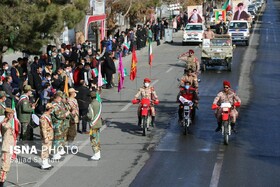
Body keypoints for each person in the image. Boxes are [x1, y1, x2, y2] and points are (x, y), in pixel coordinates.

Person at [51, 91, 70, 160]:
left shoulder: (58, 104)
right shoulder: (54, 105)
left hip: (60, 124)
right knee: (56, 139)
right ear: (57, 97)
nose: (61, 99)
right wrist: (66, 114)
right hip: (57, 124)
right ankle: (55, 154)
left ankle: (59, 151)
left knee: (60, 138)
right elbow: (59, 115)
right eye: (60, 98)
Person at [0, 108, 15, 187]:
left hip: (10, 147)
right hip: (6, 148)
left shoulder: (8, 122)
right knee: (4, 167)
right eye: (11, 114)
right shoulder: (5, 122)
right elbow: (5, 127)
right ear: (8, 114)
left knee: (7, 166)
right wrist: (9, 119)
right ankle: (1, 183)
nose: (13, 116)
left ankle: (2, 181)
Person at [87, 91, 102, 161]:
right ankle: (98, 153)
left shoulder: (91, 105)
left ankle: (96, 154)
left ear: (90, 97)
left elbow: (90, 116)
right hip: (99, 123)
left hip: (93, 124)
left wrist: (85, 116)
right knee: (97, 138)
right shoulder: (99, 103)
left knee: (93, 139)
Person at [39, 103, 54, 170]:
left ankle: (46, 162)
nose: (52, 109)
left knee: (48, 149)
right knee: (45, 149)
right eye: (51, 108)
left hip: (49, 135)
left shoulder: (48, 115)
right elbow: (43, 128)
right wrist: (45, 137)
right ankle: (44, 164)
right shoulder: (44, 117)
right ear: (49, 109)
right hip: (46, 136)